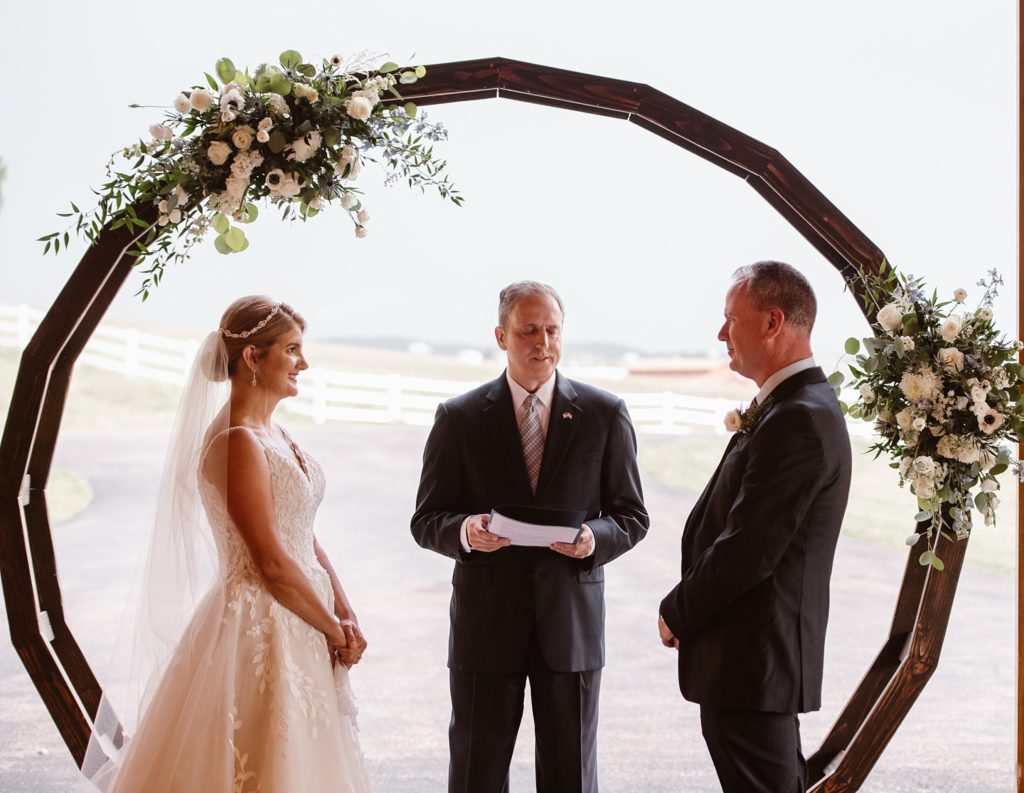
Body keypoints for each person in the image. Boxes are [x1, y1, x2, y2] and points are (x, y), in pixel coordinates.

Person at [86, 296, 371, 793]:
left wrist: (345, 613)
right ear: (253, 359)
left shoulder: (276, 432)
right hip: (262, 624)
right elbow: (269, 562)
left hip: (305, 616)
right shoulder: (236, 442)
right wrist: (331, 628)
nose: (304, 363)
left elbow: (305, 534)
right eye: (292, 349)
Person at [411, 280, 649, 793]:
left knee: (570, 777)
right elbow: (427, 518)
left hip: (571, 627)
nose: (542, 342)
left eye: (552, 330)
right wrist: (467, 532)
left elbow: (631, 516)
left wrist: (594, 539)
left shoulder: (605, 414)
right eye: (528, 331)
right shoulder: (459, 417)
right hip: (486, 627)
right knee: (476, 769)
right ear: (501, 335)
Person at [658, 261, 852, 793]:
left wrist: (678, 611)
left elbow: (750, 547)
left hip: (754, 665)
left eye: (730, 318)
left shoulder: (800, 418)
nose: (721, 333)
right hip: (750, 665)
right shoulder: (790, 406)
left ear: (772, 322)